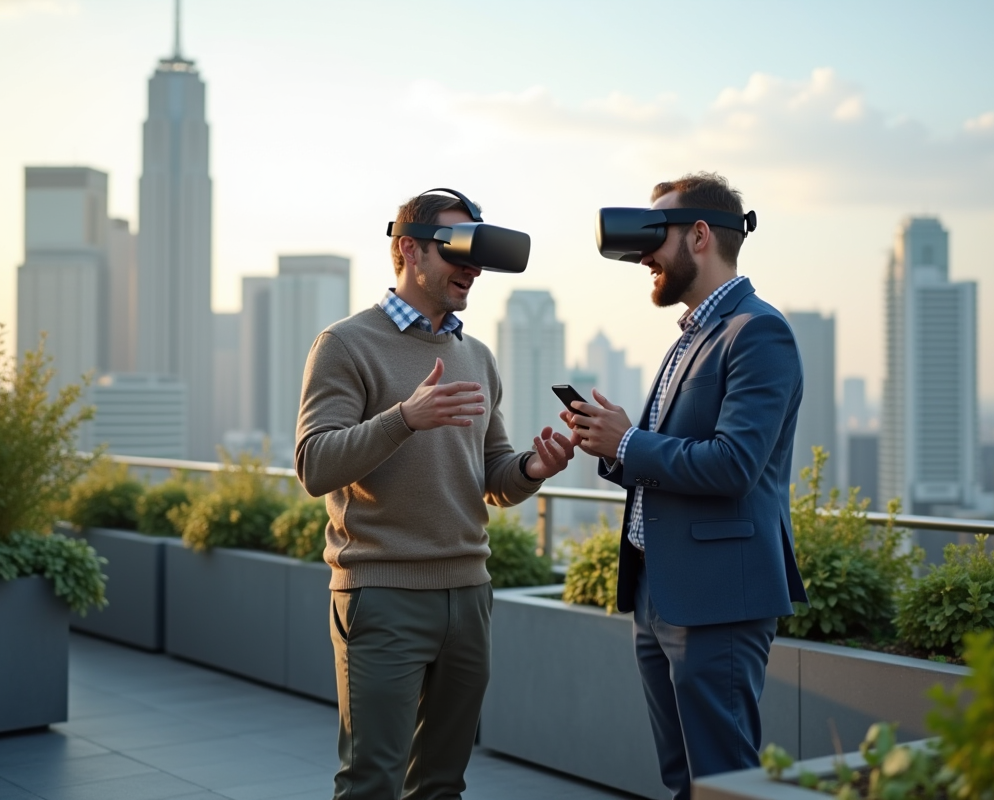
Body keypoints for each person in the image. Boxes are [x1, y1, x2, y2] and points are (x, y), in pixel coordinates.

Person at [295, 189, 574, 800]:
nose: (472, 267)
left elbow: (494, 476)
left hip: (469, 595)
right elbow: (314, 465)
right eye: (458, 250)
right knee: (372, 782)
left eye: (479, 253)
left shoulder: (476, 355)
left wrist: (533, 467)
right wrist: (405, 418)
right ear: (408, 249)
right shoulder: (344, 345)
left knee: (443, 784)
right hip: (381, 592)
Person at [563, 172, 809, 799]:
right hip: (660, 589)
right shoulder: (694, 336)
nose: (644, 254)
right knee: (682, 779)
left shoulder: (757, 332)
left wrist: (627, 441)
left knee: (724, 780)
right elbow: (665, 459)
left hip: (717, 599)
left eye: (656, 235)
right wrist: (611, 445)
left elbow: (732, 465)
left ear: (701, 236)